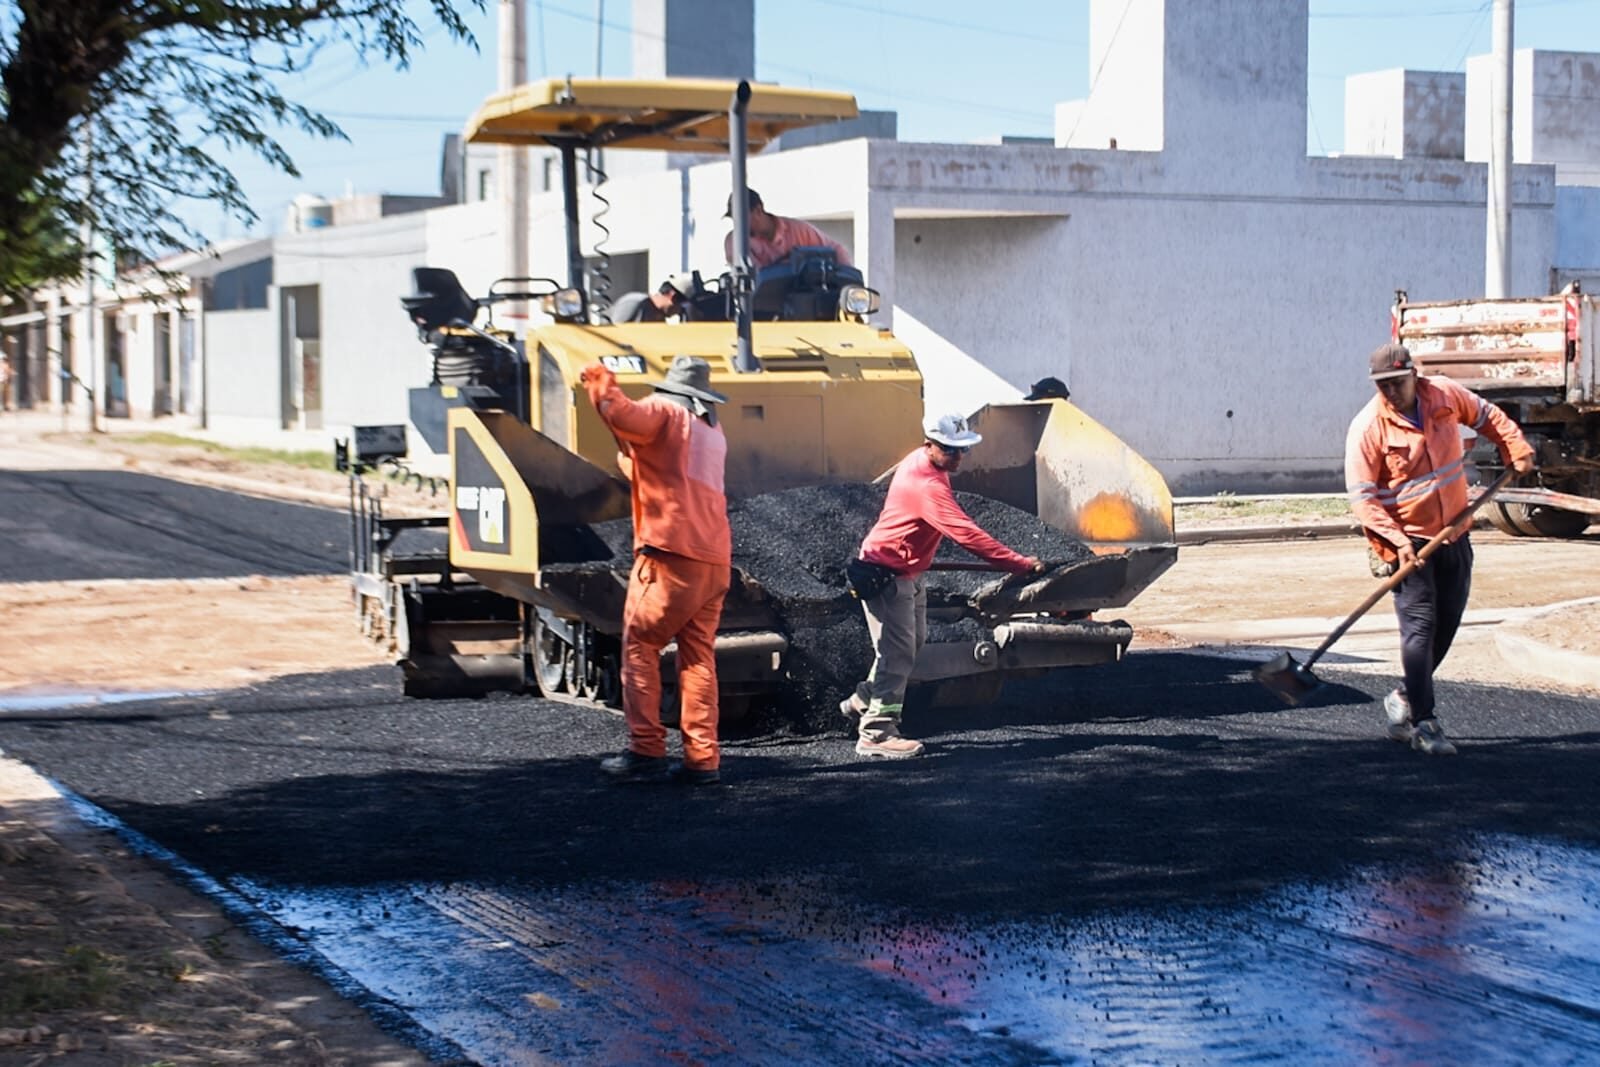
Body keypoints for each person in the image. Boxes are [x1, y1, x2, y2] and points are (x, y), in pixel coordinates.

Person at [1346, 342, 1535, 756]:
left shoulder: (1445, 395)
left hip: (1454, 532)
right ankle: (1424, 723)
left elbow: (1489, 417)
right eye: (1383, 386)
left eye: (1397, 382)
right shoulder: (1368, 427)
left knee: (1447, 624)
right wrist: (1396, 543)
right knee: (1419, 629)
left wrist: (1515, 448)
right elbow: (1363, 499)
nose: (1391, 392)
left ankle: (1405, 696)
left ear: (1414, 374)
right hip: (1407, 542)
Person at [841, 412, 1047, 759]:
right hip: (887, 575)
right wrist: (1018, 563)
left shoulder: (923, 463)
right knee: (898, 652)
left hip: (907, 572)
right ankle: (877, 732)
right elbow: (968, 535)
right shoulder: (928, 484)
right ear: (930, 445)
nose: (958, 457)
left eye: (962, 450)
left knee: (913, 643)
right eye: (951, 450)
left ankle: (863, 699)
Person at [579, 355, 732, 786]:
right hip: (715, 559)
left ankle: (645, 748)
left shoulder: (667, 412)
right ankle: (703, 760)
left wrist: (597, 376)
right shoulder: (711, 430)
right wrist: (633, 463)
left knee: (640, 645)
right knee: (698, 658)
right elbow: (670, 474)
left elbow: (619, 412)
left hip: (671, 555)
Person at [723, 188, 853, 272]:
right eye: (735, 220)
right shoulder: (735, 241)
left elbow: (835, 249)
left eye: (742, 219)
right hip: (759, 308)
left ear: (758, 210)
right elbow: (753, 276)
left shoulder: (798, 230)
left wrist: (848, 281)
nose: (738, 225)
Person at [605, 272, 696, 324]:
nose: (678, 312)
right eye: (683, 305)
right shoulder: (635, 303)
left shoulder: (659, 318)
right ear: (672, 296)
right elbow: (615, 334)